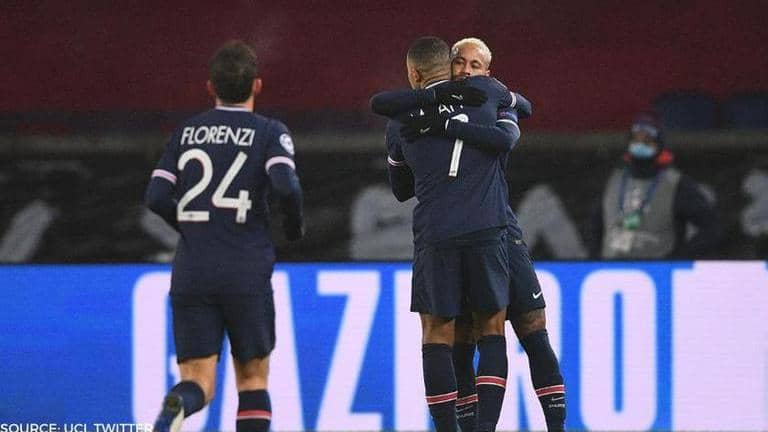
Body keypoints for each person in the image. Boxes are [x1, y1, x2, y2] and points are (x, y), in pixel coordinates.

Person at [373, 37, 566, 432]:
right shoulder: (488, 97)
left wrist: (440, 123)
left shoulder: (405, 117)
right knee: (477, 335)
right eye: (459, 63)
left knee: (514, 331)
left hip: (454, 233)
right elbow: (518, 115)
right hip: (487, 228)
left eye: (474, 65)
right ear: (448, 66)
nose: (466, 71)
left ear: (415, 74)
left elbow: (401, 187)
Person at [145, 40, 304, 432]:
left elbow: (156, 196)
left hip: (193, 269)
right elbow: (285, 185)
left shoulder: (186, 132)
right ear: (257, 85)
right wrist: (293, 227)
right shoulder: (268, 132)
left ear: (210, 87)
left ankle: (177, 404)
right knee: (252, 380)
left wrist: (192, 227)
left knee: (198, 382)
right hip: (245, 268)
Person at [590, 113, 721, 259]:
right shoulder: (613, 181)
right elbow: (596, 225)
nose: (640, 145)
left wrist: (678, 259)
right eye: (636, 140)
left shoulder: (676, 184)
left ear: (659, 145)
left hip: (658, 268)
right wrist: (594, 260)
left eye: (647, 141)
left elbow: (711, 227)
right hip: (610, 267)